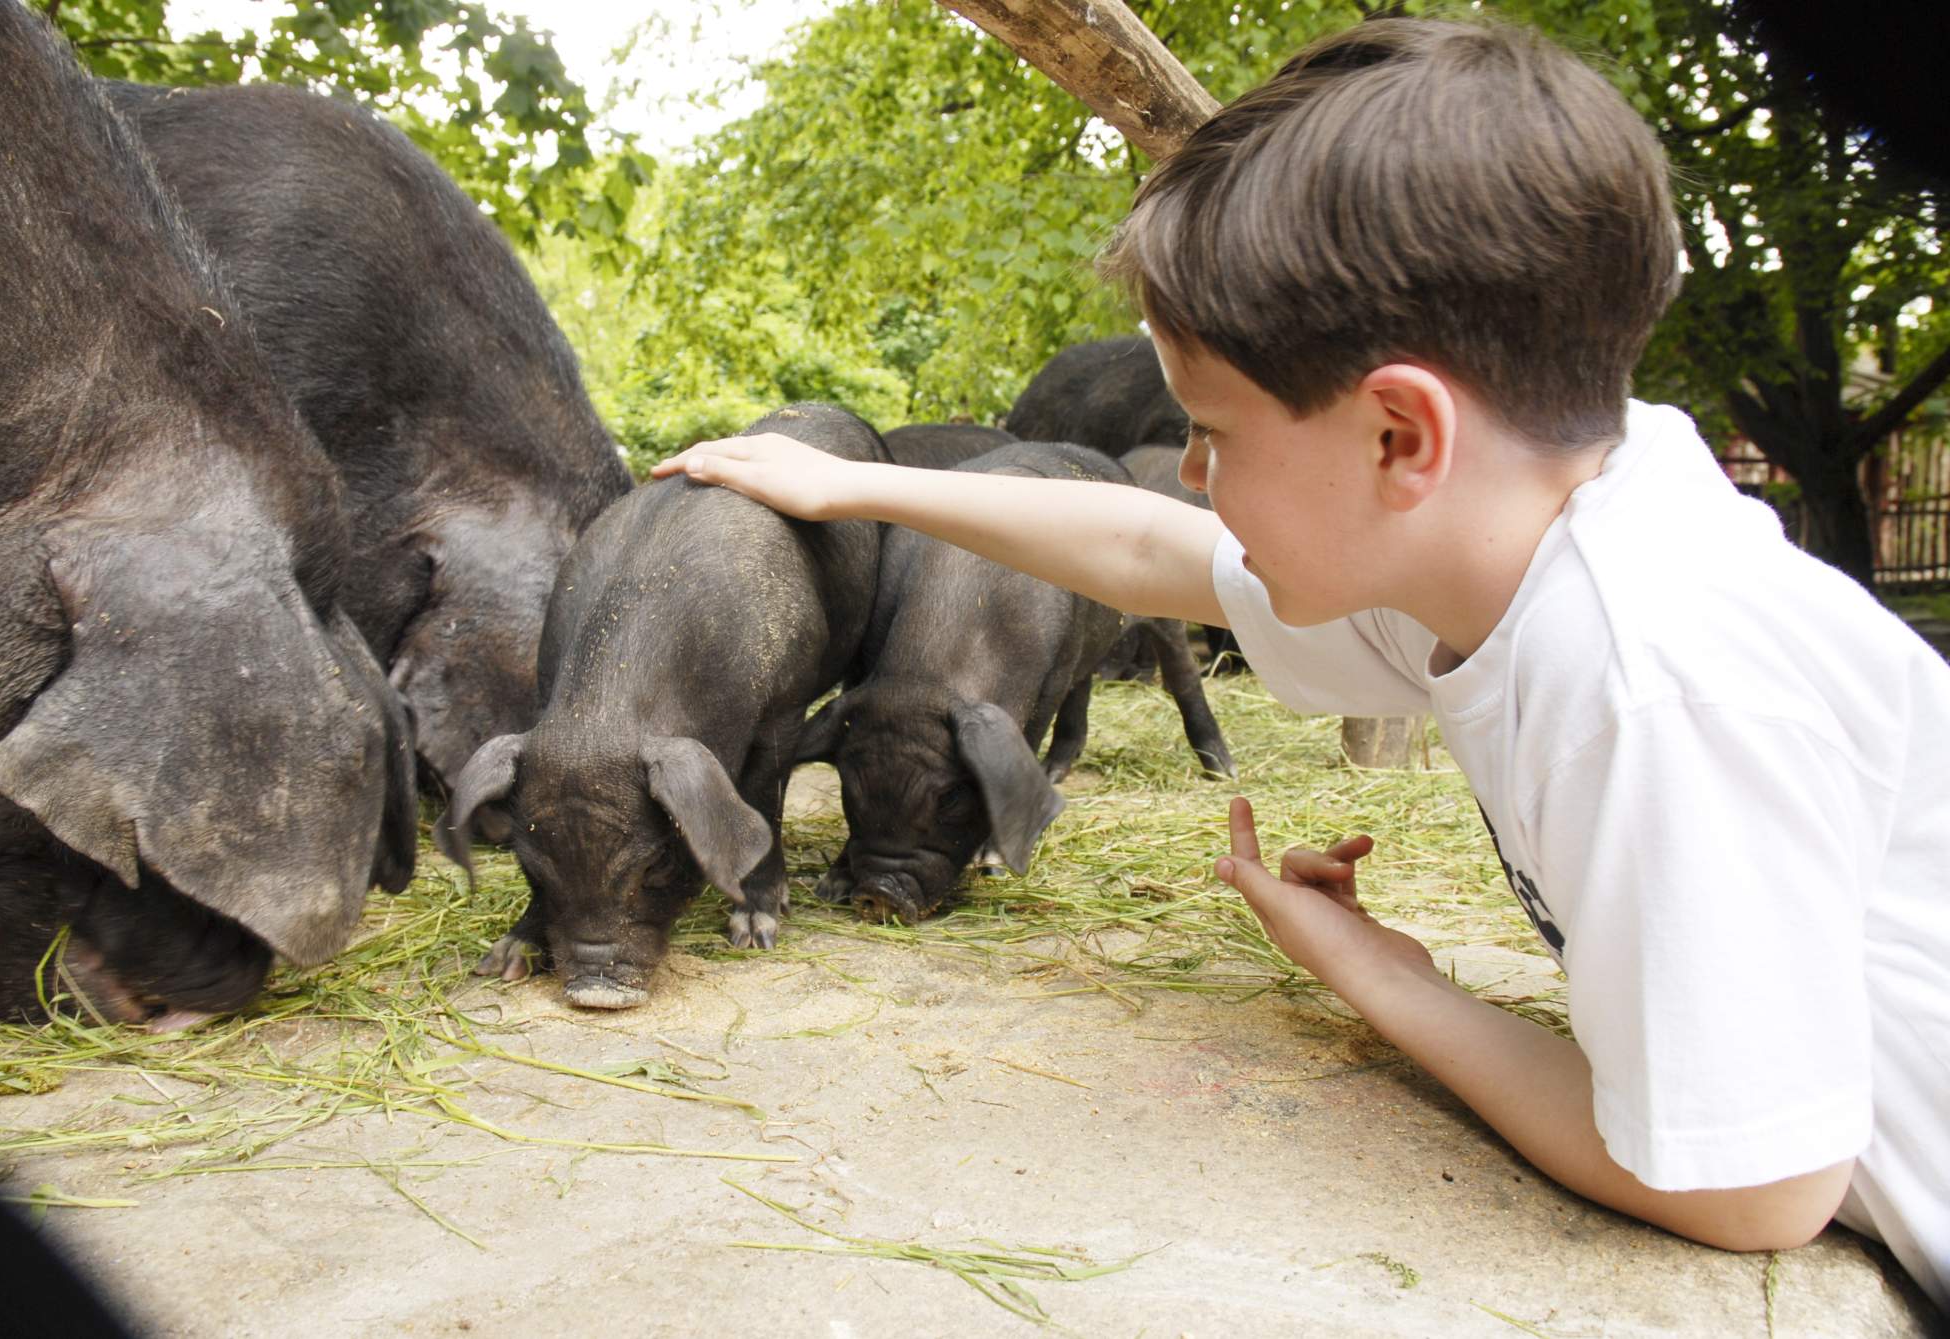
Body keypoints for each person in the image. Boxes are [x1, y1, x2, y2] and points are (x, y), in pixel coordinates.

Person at [653, 17, 1949, 1309]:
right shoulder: (1509, 542)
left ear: (1399, 437)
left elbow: (1750, 1187)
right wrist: (850, 484)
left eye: (1212, 431)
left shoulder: (1644, 676)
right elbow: (1153, 551)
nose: (1197, 475)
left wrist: (1386, 983)